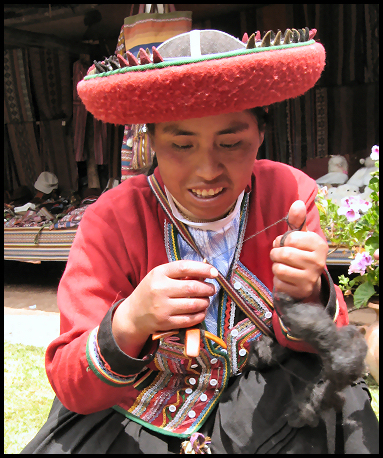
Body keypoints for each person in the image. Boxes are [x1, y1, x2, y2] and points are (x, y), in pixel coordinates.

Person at [22, 29, 378, 454]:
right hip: (138, 413)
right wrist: (130, 321)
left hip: (269, 403)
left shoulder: (288, 192)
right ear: (150, 141)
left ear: (260, 135)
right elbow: (71, 383)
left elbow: (317, 346)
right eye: (181, 144)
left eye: (230, 143)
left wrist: (308, 295)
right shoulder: (112, 219)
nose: (207, 169)